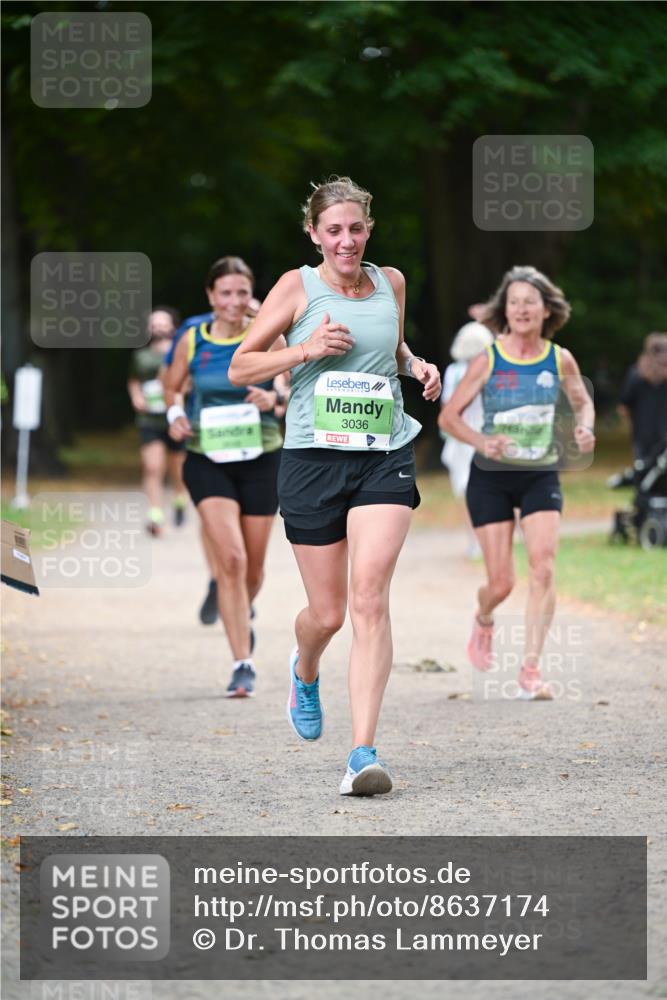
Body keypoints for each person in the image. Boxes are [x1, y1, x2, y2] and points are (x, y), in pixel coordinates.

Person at [228, 176, 441, 796]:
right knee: (327, 613)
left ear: (368, 229)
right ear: (314, 234)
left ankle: (362, 755)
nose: (346, 241)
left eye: (356, 229)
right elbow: (243, 363)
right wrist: (305, 350)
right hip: (313, 461)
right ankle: (306, 667)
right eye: (334, 231)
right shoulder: (298, 287)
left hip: (384, 453)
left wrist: (417, 366)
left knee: (369, 598)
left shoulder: (391, 282)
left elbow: (392, 348)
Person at [439, 265, 595, 700]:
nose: (522, 309)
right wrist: (482, 441)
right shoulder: (488, 358)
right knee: (502, 581)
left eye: (531, 301)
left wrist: (584, 427)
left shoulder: (559, 357)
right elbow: (448, 417)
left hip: (539, 474)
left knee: (544, 565)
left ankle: (530, 669)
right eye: (515, 302)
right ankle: (484, 617)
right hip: (490, 477)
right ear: (504, 310)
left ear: (547, 309)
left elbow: (583, 404)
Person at [163, 257, 284, 697]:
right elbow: (172, 386)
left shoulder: (268, 336)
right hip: (206, 458)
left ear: (251, 294)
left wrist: (272, 398)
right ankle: (242, 663)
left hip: (261, 458)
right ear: (211, 297)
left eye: (241, 292)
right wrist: (175, 414)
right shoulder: (193, 340)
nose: (234, 301)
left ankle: (240, 608)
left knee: (253, 569)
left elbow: (291, 388)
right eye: (225, 293)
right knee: (230, 560)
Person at [127, 308, 188, 536]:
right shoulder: (141, 356)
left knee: (178, 470)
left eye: (163, 323)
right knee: (153, 467)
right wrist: (136, 396)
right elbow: (134, 380)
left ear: (173, 325)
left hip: (176, 419)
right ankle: (155, 514)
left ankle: (180, 499)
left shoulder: (182, 351)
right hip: (149, 419)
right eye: (154, 324)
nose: (159, 328)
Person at [439, 321, 494, 558]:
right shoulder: (491, 369)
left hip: (462, 438)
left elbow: (446, 406)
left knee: (467, 491)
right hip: (483, 436)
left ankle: (475, 541)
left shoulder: (453, 371)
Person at [618, 332, 667, 461]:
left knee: (643, 473)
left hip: (641, 434)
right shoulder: (636, 375)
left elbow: (624, 407)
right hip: (656, 435)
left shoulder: (635, 374)